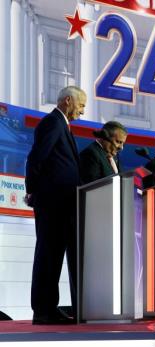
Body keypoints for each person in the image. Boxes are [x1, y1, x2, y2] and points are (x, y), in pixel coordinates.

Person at [25, 85, 86, 324]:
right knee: (48, 256)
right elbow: (36, 158)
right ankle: (43, 310)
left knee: (54, 256)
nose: (82, 111)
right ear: (68, 101)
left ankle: (49, 306)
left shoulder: (62, 125)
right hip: (52, 203)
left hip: (63, 204)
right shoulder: (52, 123)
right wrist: (32, 191)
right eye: (81, 105)